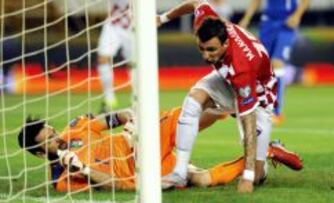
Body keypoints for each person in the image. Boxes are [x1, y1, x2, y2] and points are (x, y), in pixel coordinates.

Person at [18, 107, 302, 192]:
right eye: (52, 140)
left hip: (141, 142)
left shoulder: (75, 130)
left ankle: (237, 110)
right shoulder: (62, 180)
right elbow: (114, 185)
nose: (59, 138)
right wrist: (85, 169)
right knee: (200, 179)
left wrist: (130, 119)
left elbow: (114, 118)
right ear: (41, 153)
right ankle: (263, 152)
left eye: (53, 132)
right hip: (141, 175)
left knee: (183, 116)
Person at [157, 0, 277, 193]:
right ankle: (179, 172)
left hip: (259, 96)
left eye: (211, 50)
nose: (205, 56)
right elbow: (196, 3)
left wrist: (246, 177)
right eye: (201, 48)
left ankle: (270, 152)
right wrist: (162, 18)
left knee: (257, 175)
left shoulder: (242, 66)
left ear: (226, 44)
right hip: (227, 80)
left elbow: (248, 119)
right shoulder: (206, 21)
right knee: (194, 100)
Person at [239, 0, 310, 124]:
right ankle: (258, 106)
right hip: (268, 23)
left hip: (287, 24)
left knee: (277, 62)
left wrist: (297, 15)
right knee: (262, 65)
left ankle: (277, 112)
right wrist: (246, 18)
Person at [97, 0, 132, 112]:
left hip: (134, 26)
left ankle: (137, 97)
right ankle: (109, 99)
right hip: (114, 24)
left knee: (134, 64)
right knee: (103, 59)